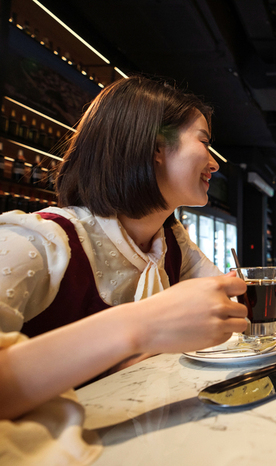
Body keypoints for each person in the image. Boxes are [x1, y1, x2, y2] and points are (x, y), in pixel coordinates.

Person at [0, 77, 248, 461]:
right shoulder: (37, 242)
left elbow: (228, 304)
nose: (214, 162)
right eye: (203, 141)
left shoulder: (171, 243)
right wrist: (140, 328)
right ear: (154, 149)